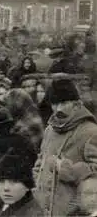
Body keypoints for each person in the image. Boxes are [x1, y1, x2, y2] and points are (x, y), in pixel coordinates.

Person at [33, 79, 97, 217]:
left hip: (73, 211)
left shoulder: (90, 131)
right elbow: (41, 160)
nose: (59, 109)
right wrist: (37, 180)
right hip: (43, 210)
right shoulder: (50, 130)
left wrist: (67, 169)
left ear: (77, 104)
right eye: (55, 103)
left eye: (64, 103)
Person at [0, 150, 43, 217]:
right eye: (1, 181)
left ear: (27, 186)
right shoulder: (0, 206)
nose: (6, 188)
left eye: (13, 181)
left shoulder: (33, 213)